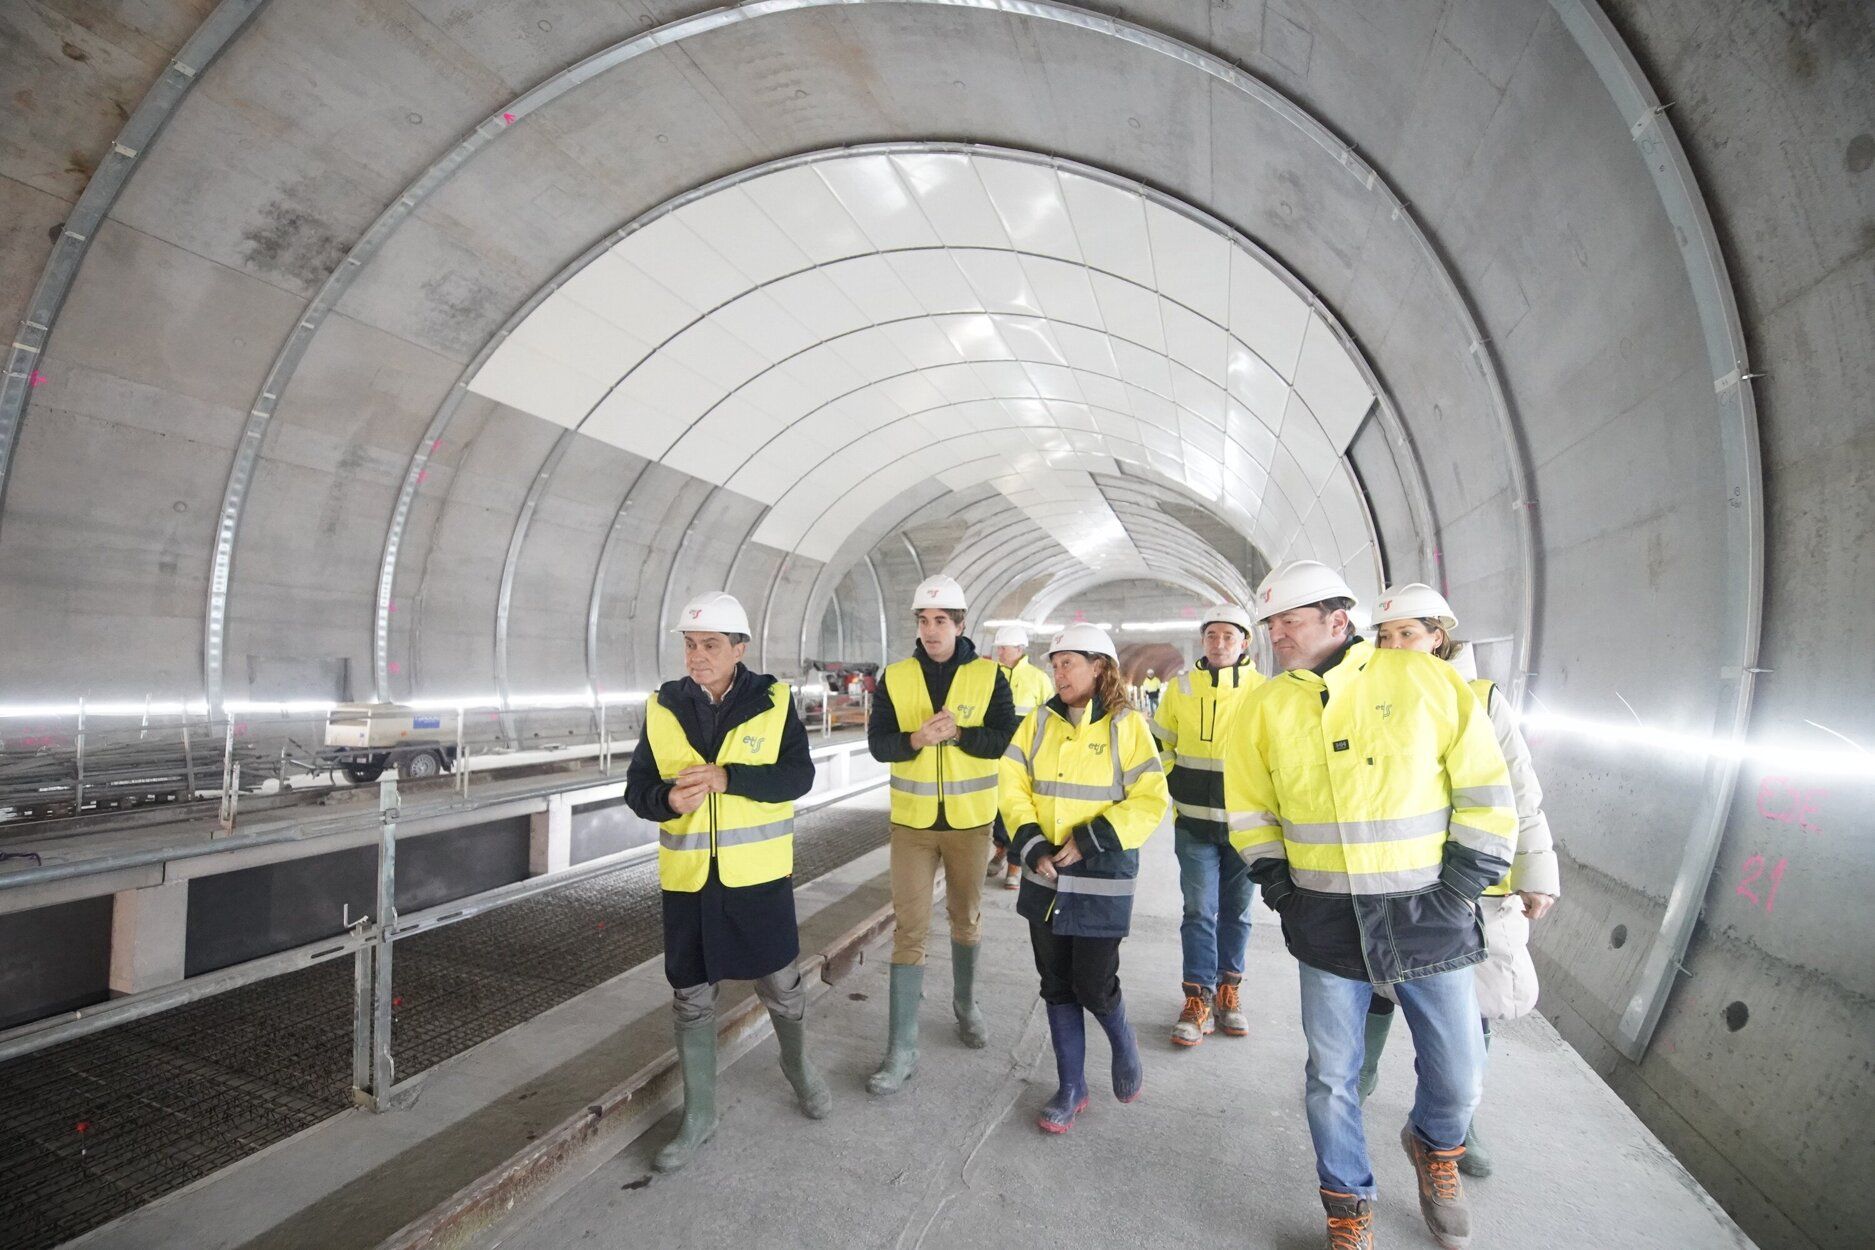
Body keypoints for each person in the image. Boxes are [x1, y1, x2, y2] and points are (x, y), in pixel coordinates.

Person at [1225, 561, 1516, 1250]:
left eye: (1287, 622)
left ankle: (1434, 1148)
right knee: (1331, 1077)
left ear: (1336, 619)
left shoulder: (1426, 682)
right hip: (1324, 922)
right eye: (1270, 624)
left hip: (1429, 917)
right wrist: (1282, 892)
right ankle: (1346, 1205)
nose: (1276, 636)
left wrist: (1459, 888)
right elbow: (1251, 812)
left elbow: (1484, 791)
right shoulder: (1263, 708)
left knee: (1458, 1074)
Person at [624, 591, 829, 1173]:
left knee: (781, 983)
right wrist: (666, 797)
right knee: (690, 994)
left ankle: (798, 1069)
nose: (696, 657)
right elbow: (637, 790)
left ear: (739, 649)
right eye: (690, 646)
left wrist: (729, 778)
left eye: (710, 645)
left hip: (757, 877)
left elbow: (798, 776)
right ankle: (700, 1115)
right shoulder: (662, 707)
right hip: (689, 879)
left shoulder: (773, 701)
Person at [1368, 582, 1560, 1178]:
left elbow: (1518, 789)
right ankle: (1360, 1078)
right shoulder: (1365, 693)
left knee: (1468, 1006)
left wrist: (1538, 871)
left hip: (1471, 880)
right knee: (1379, 979)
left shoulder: (1480, 698)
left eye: (1409, 633)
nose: (1397, 645)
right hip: (1396, 873)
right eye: (1386, 636)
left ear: (1437, 636)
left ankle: (1454, 1120)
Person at [1000, 624, 1170, 1133]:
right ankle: (1072, 1087)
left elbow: (1150, 799)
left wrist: (1093, 838)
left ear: (1099, 667)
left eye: (1068, 662)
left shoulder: (1126, 725)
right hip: (1046, 874)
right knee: (1055, 985)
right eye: (1054, 664)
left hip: (1102, 875)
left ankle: (1123, 1042)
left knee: (1093, 984)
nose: (1058, 672)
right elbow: (1011, 784)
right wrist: (1029, 842)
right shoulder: (1037, 723)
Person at [866, 574, 1020, 1093]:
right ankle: (901, 1048)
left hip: (970, 822)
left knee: (965, 918)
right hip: (911, 823)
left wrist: (962, 735)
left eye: (940, 622)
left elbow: (1004, 739)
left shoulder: (990, 676)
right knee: (909, 929)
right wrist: (915, 738)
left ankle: (965, 1004)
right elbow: (879, 744)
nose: (930, 631)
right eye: (923, 621)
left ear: (959, 624)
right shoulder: (896, 676)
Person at [1153, 604, 1265, 1046]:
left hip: (1246, 827)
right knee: (1199, 910)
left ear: (1244, 642)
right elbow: (1160, 745)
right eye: (1212, 635)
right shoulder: (1180, 687)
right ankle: (1196, 997)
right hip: (1193, 823)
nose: (1219, 644)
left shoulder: (1262, 690)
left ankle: (1228, 990)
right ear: (1203, 641)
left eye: (1228, 636)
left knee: (1237, 910)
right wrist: (1173, 786)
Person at [987, 624, 1055, 890]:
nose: (999, 652)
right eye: (998, 647)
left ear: (1019, 648)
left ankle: (1014, 866)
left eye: (1003, 647)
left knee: (1019, 807)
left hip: (1027, 756)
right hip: (996, 752)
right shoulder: (991, 675)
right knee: (997, 805)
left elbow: (1050, 719)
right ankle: (1001, 848)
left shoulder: (1038, 679)